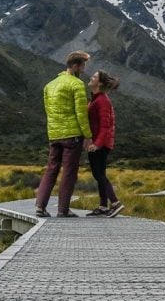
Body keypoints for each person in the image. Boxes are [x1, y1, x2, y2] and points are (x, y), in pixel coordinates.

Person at [35, 51, 95, 217]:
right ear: (75, 65)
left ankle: (40, 206)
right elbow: (81, 114)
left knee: (51, 169)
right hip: (72, 136)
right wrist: (88, 136)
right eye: (82, 66)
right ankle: (63, 210)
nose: (83, 70)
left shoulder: (49, 85)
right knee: (69, 172)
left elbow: (48, 111)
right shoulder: (76, 85)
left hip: (54, 135)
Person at [86, 70, 123, 217]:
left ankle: (115, 203)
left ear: (99, 83)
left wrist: (98, 144)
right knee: (99, 174)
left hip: (100, 144)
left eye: (94, 77)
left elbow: (105, 125)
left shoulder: (102, 100)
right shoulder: (97, 98)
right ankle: (103, 206)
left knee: (99, 174)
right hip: (97, 142)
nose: (91, 77)